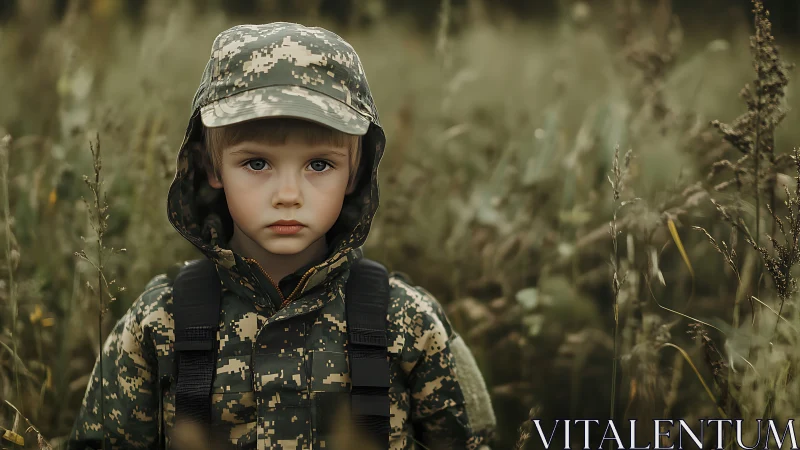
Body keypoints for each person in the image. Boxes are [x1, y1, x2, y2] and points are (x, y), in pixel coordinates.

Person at [67, 22, 496, 450]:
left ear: (356, 171)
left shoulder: (407, 323)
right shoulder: (162, 324)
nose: (288, 196)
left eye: (319, 165)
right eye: (256, 163)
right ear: (212, 168)